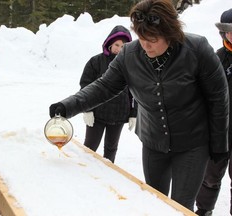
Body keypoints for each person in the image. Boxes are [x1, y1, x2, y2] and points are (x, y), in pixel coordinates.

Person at [49, 0, 229, 211]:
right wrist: (67, 106)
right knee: (154, 201)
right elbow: (104, 86)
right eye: (142, 38)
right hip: (153, 142)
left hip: (192, 144)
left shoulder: (197, 50)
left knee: (181, 207)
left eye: (152, 39)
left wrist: (219, 144)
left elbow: (218, 98)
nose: (146, 45)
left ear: (170, 33)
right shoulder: (129, 55)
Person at [80, 25, 137, 163]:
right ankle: (84, 172)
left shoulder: (130, 66)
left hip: (118, 115)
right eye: (117, 45)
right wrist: (87, 109)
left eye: (123, 47)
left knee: (111, 148)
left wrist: (134, 113)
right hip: (97, 114)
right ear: (109, 43)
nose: (119, 49)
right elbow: (86, 86)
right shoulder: (95, 62)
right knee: (90, 147)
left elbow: (134, 92)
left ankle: (108, 176)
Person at [195, 8, 232, 216]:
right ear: (224, 33)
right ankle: (203, 210)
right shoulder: (216, 59)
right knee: (210, 176)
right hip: (220, 130)